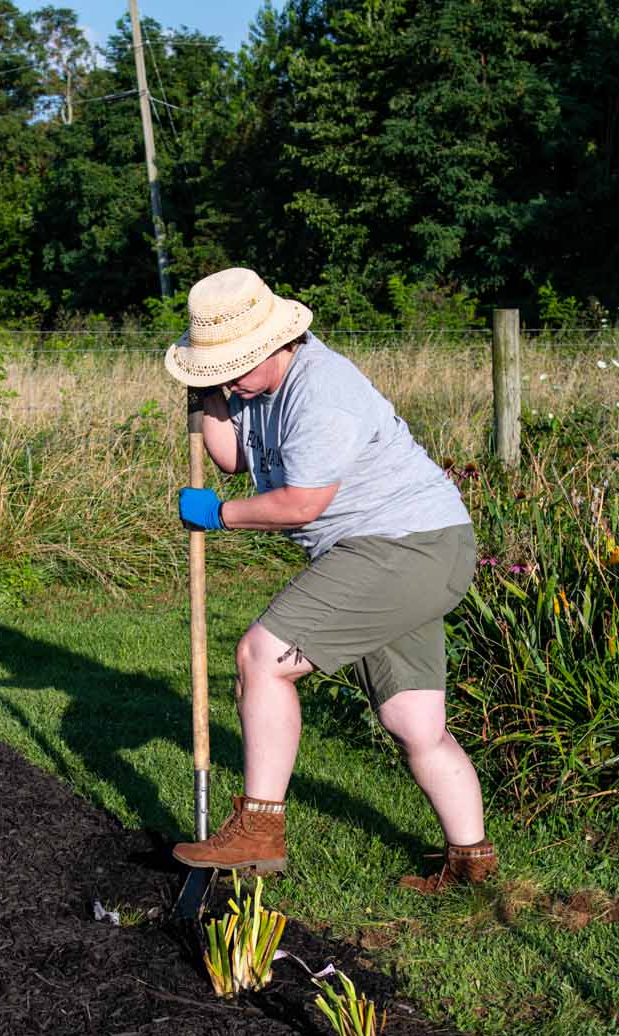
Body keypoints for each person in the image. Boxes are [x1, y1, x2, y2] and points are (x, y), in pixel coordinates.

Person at [165, 267, 496, 894]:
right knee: (413, 722)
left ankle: (259, 829)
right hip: (404, 549)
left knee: (262, 657)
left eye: (233, 367)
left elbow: (301, 504)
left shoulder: (322, 391)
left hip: (405, 547)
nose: (230, 379)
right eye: (218, 370)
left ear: (272, 343)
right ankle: (470, 865)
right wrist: (208, 398)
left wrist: (220, 515)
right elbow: (236, 458)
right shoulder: (258, 391)